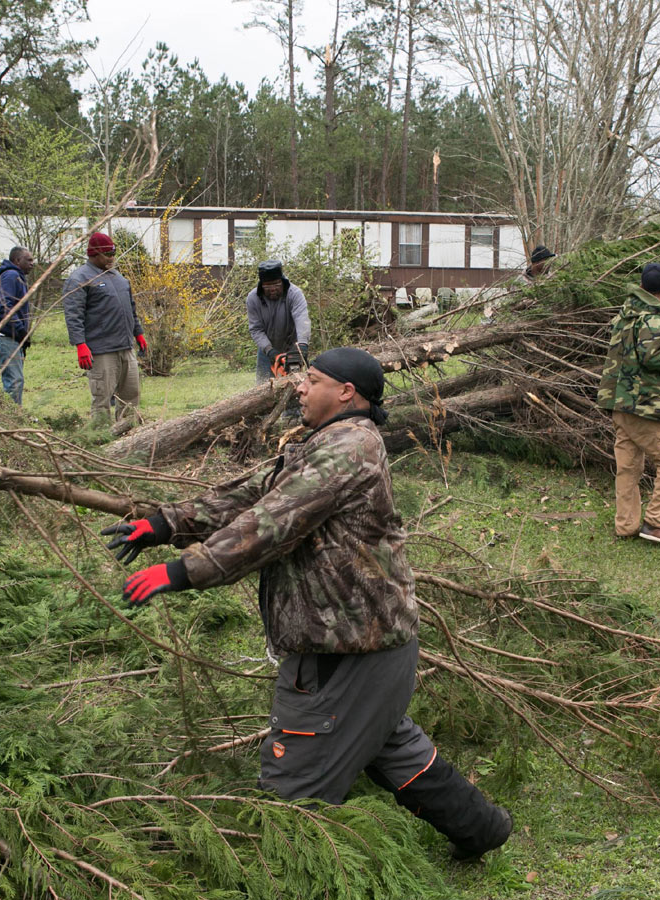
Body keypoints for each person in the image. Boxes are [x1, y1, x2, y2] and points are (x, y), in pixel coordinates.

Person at [100, 347, 514, 861]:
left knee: (289, 795)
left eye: (312, 379)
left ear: (346, 392)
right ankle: (482, 829)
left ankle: (282, 867)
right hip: (371, 643)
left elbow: (270, 523)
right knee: (387, 746)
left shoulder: (349, 450)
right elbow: (251, 494)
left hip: (345, 652)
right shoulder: (325, 443)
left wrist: (185, 570)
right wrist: (166, 523)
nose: (299, 386)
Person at [596, 262, 660, 545]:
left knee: (629, 466)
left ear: (641, 285)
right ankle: (655, 524)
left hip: (619, 402)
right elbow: (651, 358)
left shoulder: (625, 314)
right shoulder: (652, 318)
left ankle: (626, 524)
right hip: (644, 405)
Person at [62, 233, 148, 424]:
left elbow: (130, 309)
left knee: (131, 396)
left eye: (113, 252)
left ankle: (129, 434)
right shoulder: (79, 279)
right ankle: (101, 439)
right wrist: (80, 344)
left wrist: (138, 333)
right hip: (101, 351)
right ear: (94, 253)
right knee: (102, 398)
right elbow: (73, 315)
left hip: (125, 347)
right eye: (108, 253)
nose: (112, 257)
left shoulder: (118, 278)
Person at [247, 260, 310, 384]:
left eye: (276, 284)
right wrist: (270, 350)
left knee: (297, 386)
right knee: (262, 386)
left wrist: (302, 346)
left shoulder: (294, 294)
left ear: (282, 282)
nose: (272, 289)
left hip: (293, 346)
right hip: (267, 348)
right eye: (268, 286)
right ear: (262, 285)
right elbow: (256, 329)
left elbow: (302, 319)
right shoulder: (253, 298)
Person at [0, 246, 34, 405]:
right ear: (17, 260)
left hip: (11, 336)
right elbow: (4, 307)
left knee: (15, 379)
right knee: (14, 381)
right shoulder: (10, 276)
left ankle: (12, 417)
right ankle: (10, 421)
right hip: (3, 335)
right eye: (29, 260)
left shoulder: (17, 277)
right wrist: (20, 331)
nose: (32, 264)